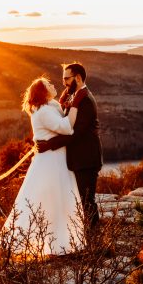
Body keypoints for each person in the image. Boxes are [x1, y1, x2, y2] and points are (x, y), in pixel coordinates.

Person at [0, 76, 86, 257]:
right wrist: (75, 105)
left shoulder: (49, 106)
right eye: (48, 85)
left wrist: (64, 102)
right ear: (43, 92)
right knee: (51, 198)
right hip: (51, 161)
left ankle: (61, 244)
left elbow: (60, 113)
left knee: (55, 198)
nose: (53, 85)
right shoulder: (44, 111)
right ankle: (50, 244)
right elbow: (66, 128)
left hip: (54, 158)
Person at [35, 62, 103, 232]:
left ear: (78, 78)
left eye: (67, 78)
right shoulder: (75, 96)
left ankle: (95, 239)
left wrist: (49, 145)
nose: (63, 82)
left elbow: (76, 133)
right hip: (78, 159)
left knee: (87, 200)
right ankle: (87, 238)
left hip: (86, 158)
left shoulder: (85, 100)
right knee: (81, 200)